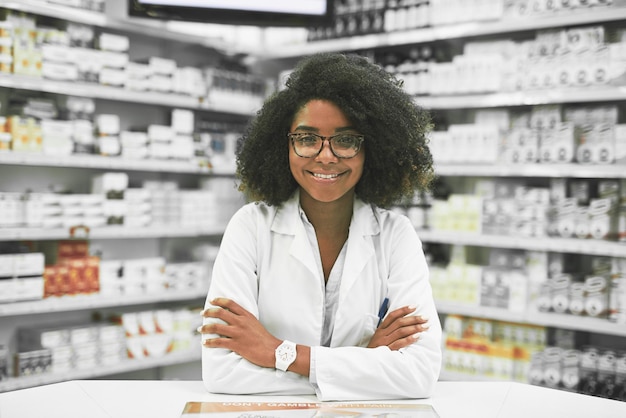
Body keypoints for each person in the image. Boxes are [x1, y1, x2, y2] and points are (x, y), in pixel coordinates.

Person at [198, 52, 442, 401]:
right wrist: (366, 363)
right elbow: (222, 371)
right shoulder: (250, 227)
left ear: (370, 148)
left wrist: (278, 353)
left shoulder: (395, 236)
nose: (326, 156)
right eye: (307, 138)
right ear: (284, 145)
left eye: (345, 140)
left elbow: (419, 374)